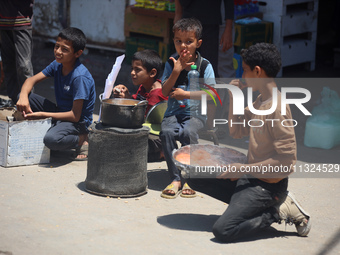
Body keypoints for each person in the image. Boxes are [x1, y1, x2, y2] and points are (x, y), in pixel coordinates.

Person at [187, 43, 311, 242]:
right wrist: (233, 96)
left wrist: (243, 170)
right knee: (194, 175)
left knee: (223, 230)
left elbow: (286, 163)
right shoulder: (261, 100)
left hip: (268, 186)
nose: (242, 76)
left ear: (258, 71)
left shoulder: (277, 109)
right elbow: (236, 131)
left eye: (244, 70)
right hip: (250, 175)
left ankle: (276, 210)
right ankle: (245, 204)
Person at [16, 27, 95, 161]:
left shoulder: (79, 77)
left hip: (78, 121)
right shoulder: (57, 64)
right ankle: (54, 125)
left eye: (65, 49)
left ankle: (83, 138)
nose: (58, 52)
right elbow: (31, 80)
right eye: (57, 46)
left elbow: (75, 116)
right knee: (22, 97)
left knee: (51, 140)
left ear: (77, 53)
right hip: (61, 111)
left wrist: (43, 115)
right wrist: (23, 97)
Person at [160, 18, 216, 199]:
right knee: (166, 132)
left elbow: (212, 95)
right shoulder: (171, 63)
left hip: (195, 115)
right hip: (173, 113)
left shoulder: (205, 66)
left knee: (188, 133)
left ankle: (190, 178)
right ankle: (175, 178)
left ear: (198, 43)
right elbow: (164, 91)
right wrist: (176, 71)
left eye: (189, 41)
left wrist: (186, 95)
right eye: (178, 41)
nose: (183, 46)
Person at [112, 49, 168, 162]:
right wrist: (127, 96)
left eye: (137, 70)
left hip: (156, 137)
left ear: (152, 73)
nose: (132, 73)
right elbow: (137, 103)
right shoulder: (144, 86)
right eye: (132, 69)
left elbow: (142, 117)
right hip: (145, 130)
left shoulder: (157, 94)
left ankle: (162, 152)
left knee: (123, 150)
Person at [0, 0, 34, 103]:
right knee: (8, 64)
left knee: (24, 66)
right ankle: (14, 100)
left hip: (22, 21)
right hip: (2, 23)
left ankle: (29, 101)